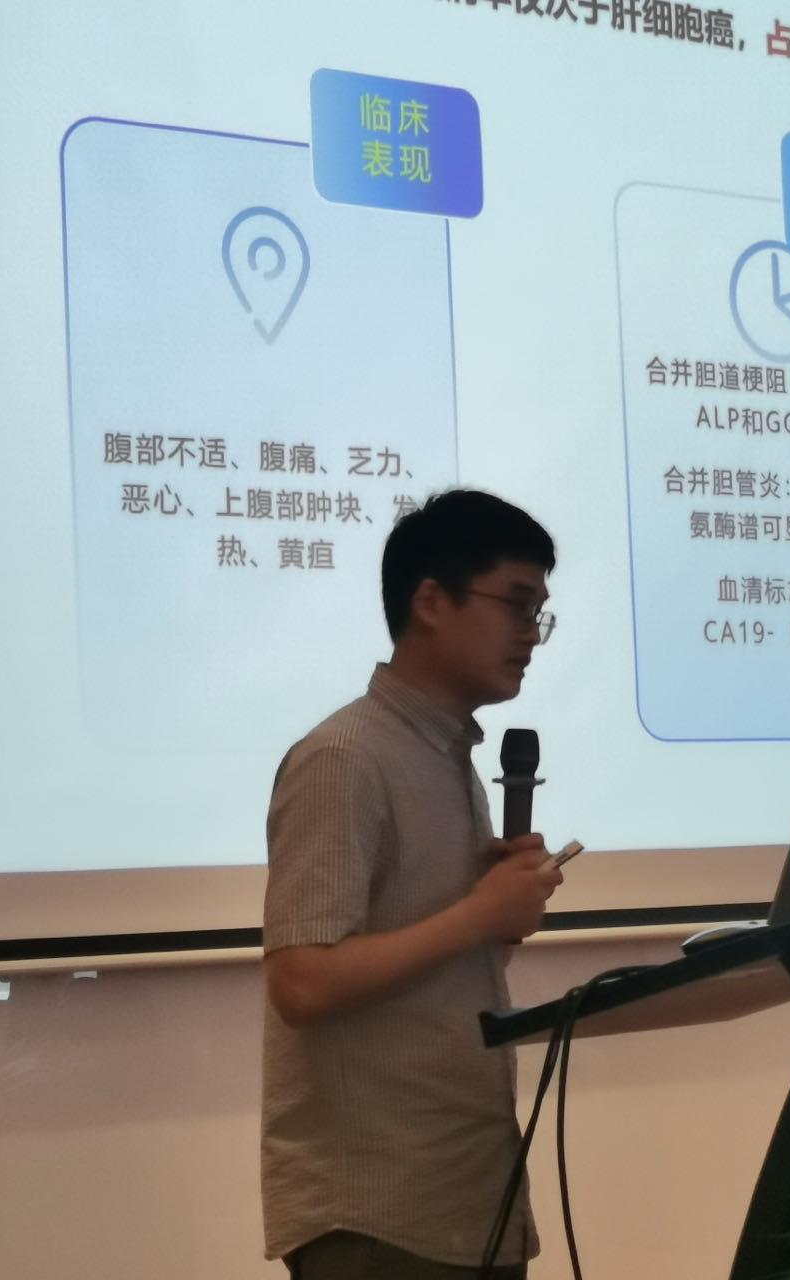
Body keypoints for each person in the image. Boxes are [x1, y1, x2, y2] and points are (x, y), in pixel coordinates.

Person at [261, 489, 564, 1280]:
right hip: (379, 1212)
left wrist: (492, 916)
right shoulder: (345, 758)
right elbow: (302, 981)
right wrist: (476, 916)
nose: (531, 634)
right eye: (516, 605)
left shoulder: (447, 758)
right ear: (431, 601)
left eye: (540, 614)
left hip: (467, 1197)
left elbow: (418, 963)